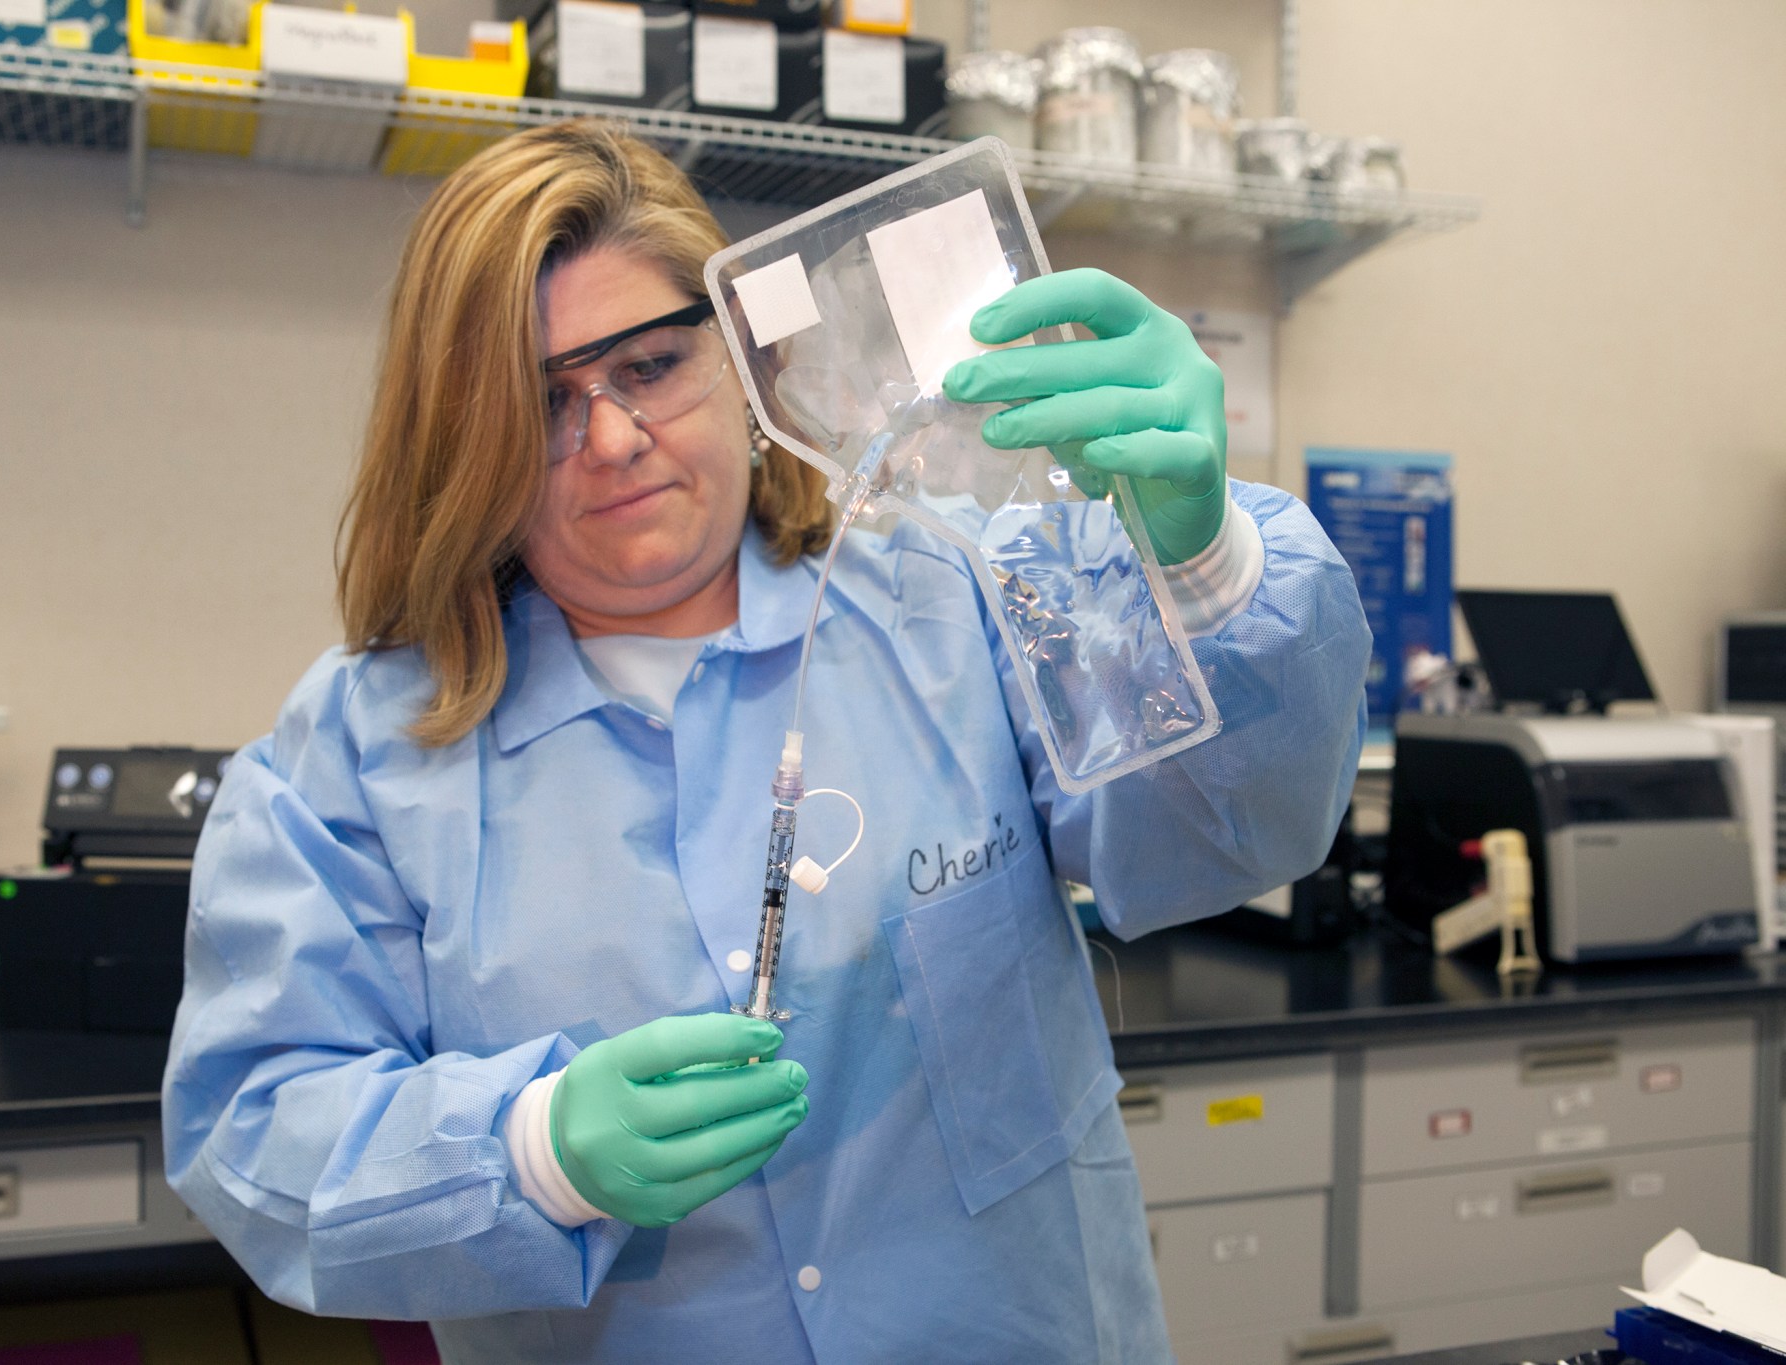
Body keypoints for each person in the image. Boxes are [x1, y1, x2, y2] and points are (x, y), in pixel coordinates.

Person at [163, 119, 1369, 1364]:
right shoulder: (362, 749)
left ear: (744, 360)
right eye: (540, 401)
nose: (614, 438)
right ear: (458, 441)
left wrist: (1204, 563)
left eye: (647, 366)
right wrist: (530, 1149)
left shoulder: (956, 591)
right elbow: (253, 1132)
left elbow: (1231, 834)